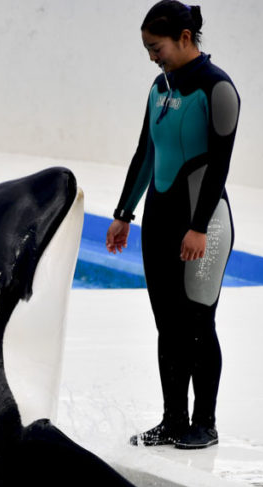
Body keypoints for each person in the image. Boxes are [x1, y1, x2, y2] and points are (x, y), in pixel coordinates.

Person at [106, 1, 240, 450]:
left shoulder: (217, 89)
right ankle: (172, 420)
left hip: (205, 224)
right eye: (146, 49)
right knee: (168, 325)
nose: (151, 56)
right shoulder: (158, 87)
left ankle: (205, 423)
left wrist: (199, 226)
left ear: (185, 38)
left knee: (199, 322)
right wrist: (124, 214)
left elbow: (219, 166)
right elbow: (145, 153)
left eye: (155, 47)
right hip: (160, 221)